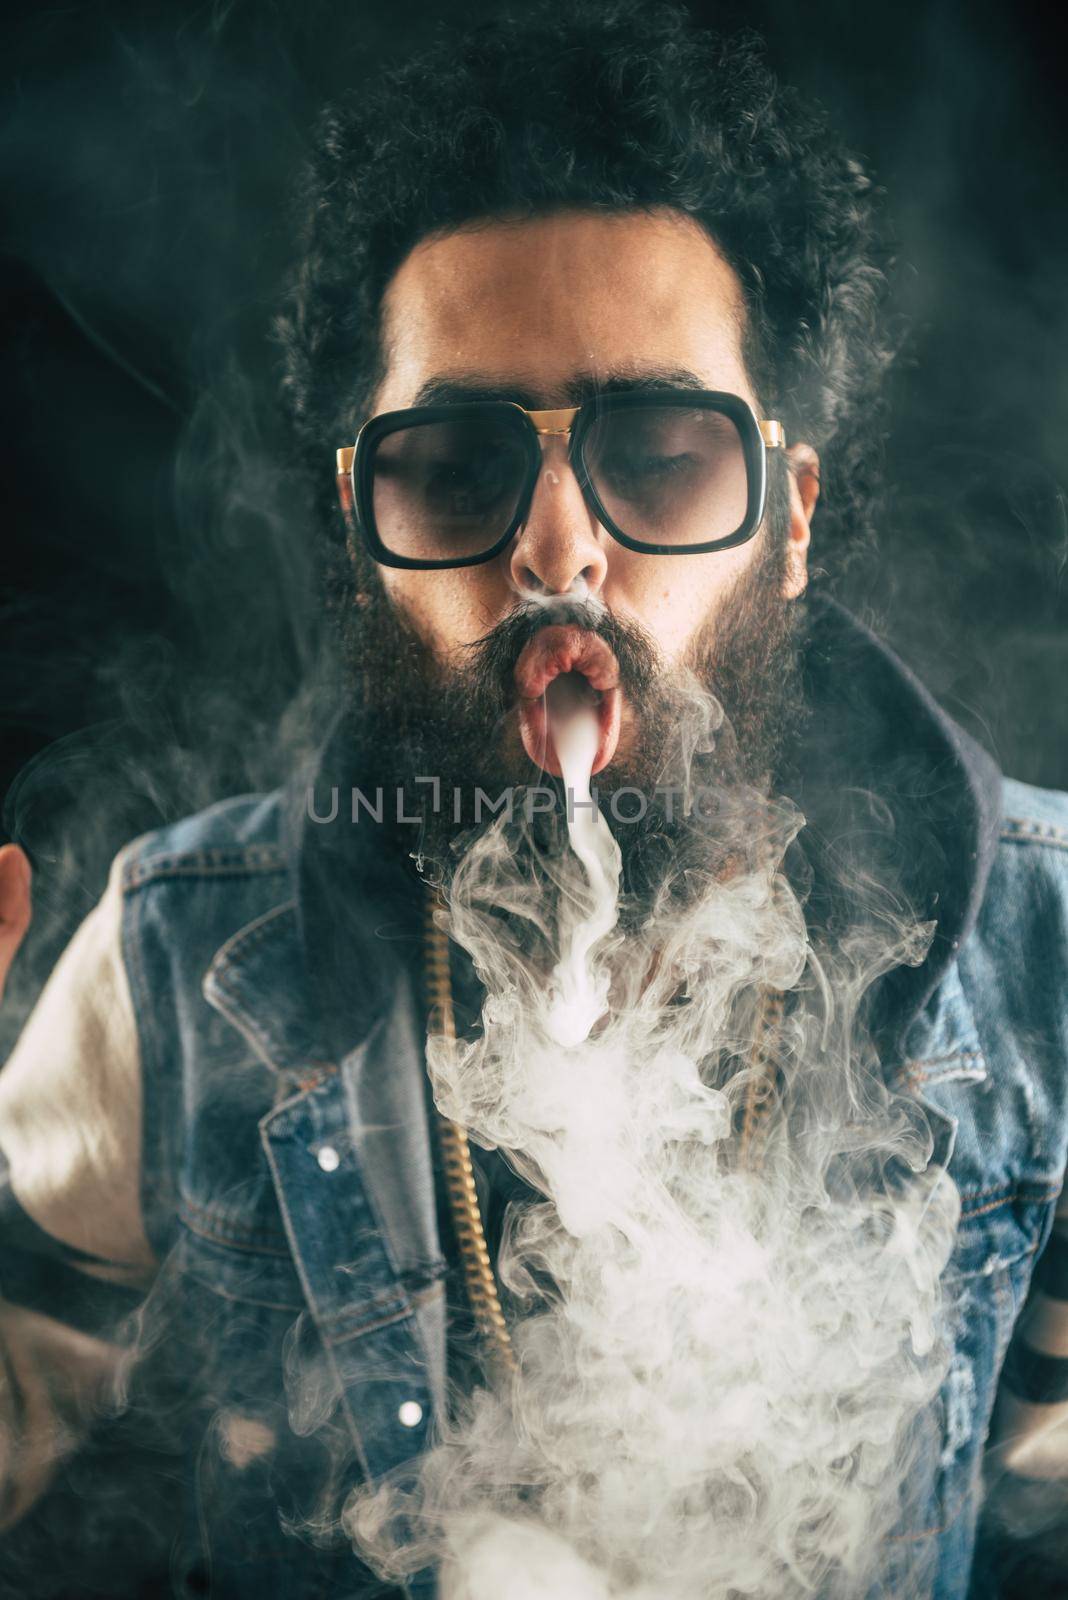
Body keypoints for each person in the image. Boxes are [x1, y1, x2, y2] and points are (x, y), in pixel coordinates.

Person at [0, 5, 1066, 1597]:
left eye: (663, 450)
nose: (558, 550)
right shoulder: (169, 973)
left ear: (788, 520)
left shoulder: (1046, 952)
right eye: (457, 462)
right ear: (362, 522)